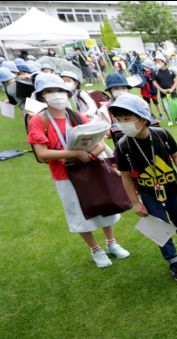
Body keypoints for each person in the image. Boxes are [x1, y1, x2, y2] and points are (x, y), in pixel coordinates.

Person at [26, 74, 130, 268]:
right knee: (77, 213)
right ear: (41, 96)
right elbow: (41, 153)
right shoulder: (38, 120)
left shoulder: (76, 116)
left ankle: (112, 243)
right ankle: (95, 249)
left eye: (59, 90)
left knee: (105, 205)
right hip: (64, 176)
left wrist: (88, 154)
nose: (56, 95)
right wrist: (74, 154)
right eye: (49, 91)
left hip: (90, 170)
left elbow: (100, 144)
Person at [112, 94, 177, 281]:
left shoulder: (162, 134)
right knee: (159, 228)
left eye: (127, 119)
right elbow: (126, 177)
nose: (122, 124)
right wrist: (136, 203)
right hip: (149, 194)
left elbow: (176, 155)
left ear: (143, 119)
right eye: (119, 120)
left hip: (173, 189)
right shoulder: (123, 145)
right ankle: (173, 261)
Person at [152, 54, 177, 127]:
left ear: (164, 62)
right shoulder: (156, 72)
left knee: (176, 105)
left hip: (172, 92)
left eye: (158, 61)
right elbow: (154, 82)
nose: (157, 63)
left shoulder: (170, 71)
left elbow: (176, 81)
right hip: (163, 93)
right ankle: (169, 119)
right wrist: (162, 90)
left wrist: (172, 89)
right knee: (166, 106)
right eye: (156, 62)